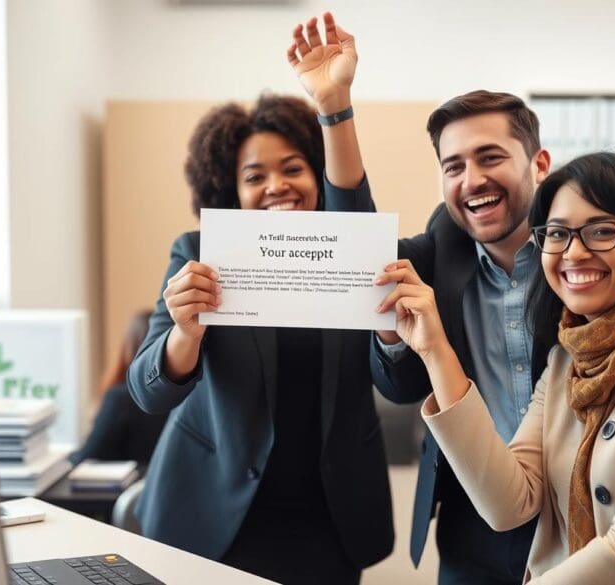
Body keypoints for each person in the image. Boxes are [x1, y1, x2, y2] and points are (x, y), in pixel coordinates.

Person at [376, 151, 615, 583]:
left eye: (601, 232)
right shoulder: (568, 357)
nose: (573, 252)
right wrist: (434, 350)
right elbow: (507, 505)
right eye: (558, 234)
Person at [126, 13, 393, 585]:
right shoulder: (199, 253)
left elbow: (355, 210)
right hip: (212, 515)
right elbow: (147, 391)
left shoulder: (352, 252)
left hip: (329, 518)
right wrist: (185, 334)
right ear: (230, 191)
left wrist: (334, 105)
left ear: (319, 176)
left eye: (294, 168)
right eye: (254, 177)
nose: (276, 186)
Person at [369, 90, 553, 584]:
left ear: (539, 164)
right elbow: (400, 387)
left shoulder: (575, 257)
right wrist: (334, 110)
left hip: (575, 511)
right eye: (453, 166)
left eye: (490, 157)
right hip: (473, 523)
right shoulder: (442, 248)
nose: (472, 180)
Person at [69, 310, 166, 466]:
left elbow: (88, 456)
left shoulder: (120, 398)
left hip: (127, 480)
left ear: (129, 345)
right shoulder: (189, 394)